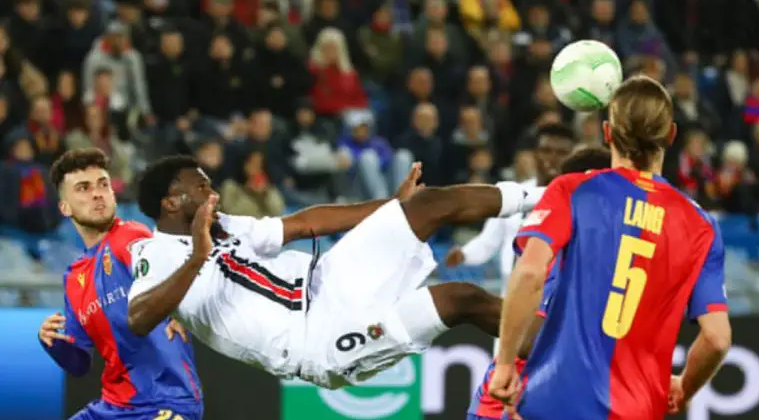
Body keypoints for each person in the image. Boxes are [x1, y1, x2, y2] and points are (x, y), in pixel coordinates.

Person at [456, 76, 731, 420]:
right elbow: (717, 338)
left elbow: (530, 273)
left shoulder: (573, 190)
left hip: (551, 402)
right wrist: (684, 387)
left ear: (607, 133)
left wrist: (505, 363)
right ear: (671, 136)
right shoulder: (700, 226)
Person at [126, 157, 541, 390]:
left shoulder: (227, 226)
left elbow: (304, 224)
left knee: (427, 204)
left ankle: (549, 197)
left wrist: (391, 206)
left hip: (330, 281)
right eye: (201, 188)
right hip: (318, 342)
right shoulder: (156, 253)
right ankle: (557, 349)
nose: (213, 194)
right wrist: (197, 258)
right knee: (459, 298)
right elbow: (138, 318)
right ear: (170, 203)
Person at [10, 148, 203, 420]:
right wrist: (53, 343)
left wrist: (179, 306)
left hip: (169, 402)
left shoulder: (131, 238)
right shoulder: (75, 278)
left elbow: (172, 268)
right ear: (65, 207)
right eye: (83, 188)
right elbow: (79, 363)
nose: (97, 193)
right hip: (113, 408)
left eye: (102, 184)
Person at [462, 146, 613, 420]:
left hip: (508, 409)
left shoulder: (557, 243)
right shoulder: (566, 254)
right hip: (536, 412)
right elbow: (531, 338)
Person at [444, 123, 575, 291]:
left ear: (572, 157)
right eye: (546, 150)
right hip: (510, 292)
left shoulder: (578, 201)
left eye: (562, 153)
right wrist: (465, 254)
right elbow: (489, 241)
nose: (553, 158)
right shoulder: (513, 194)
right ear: (534, 154)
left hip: (554, 292)